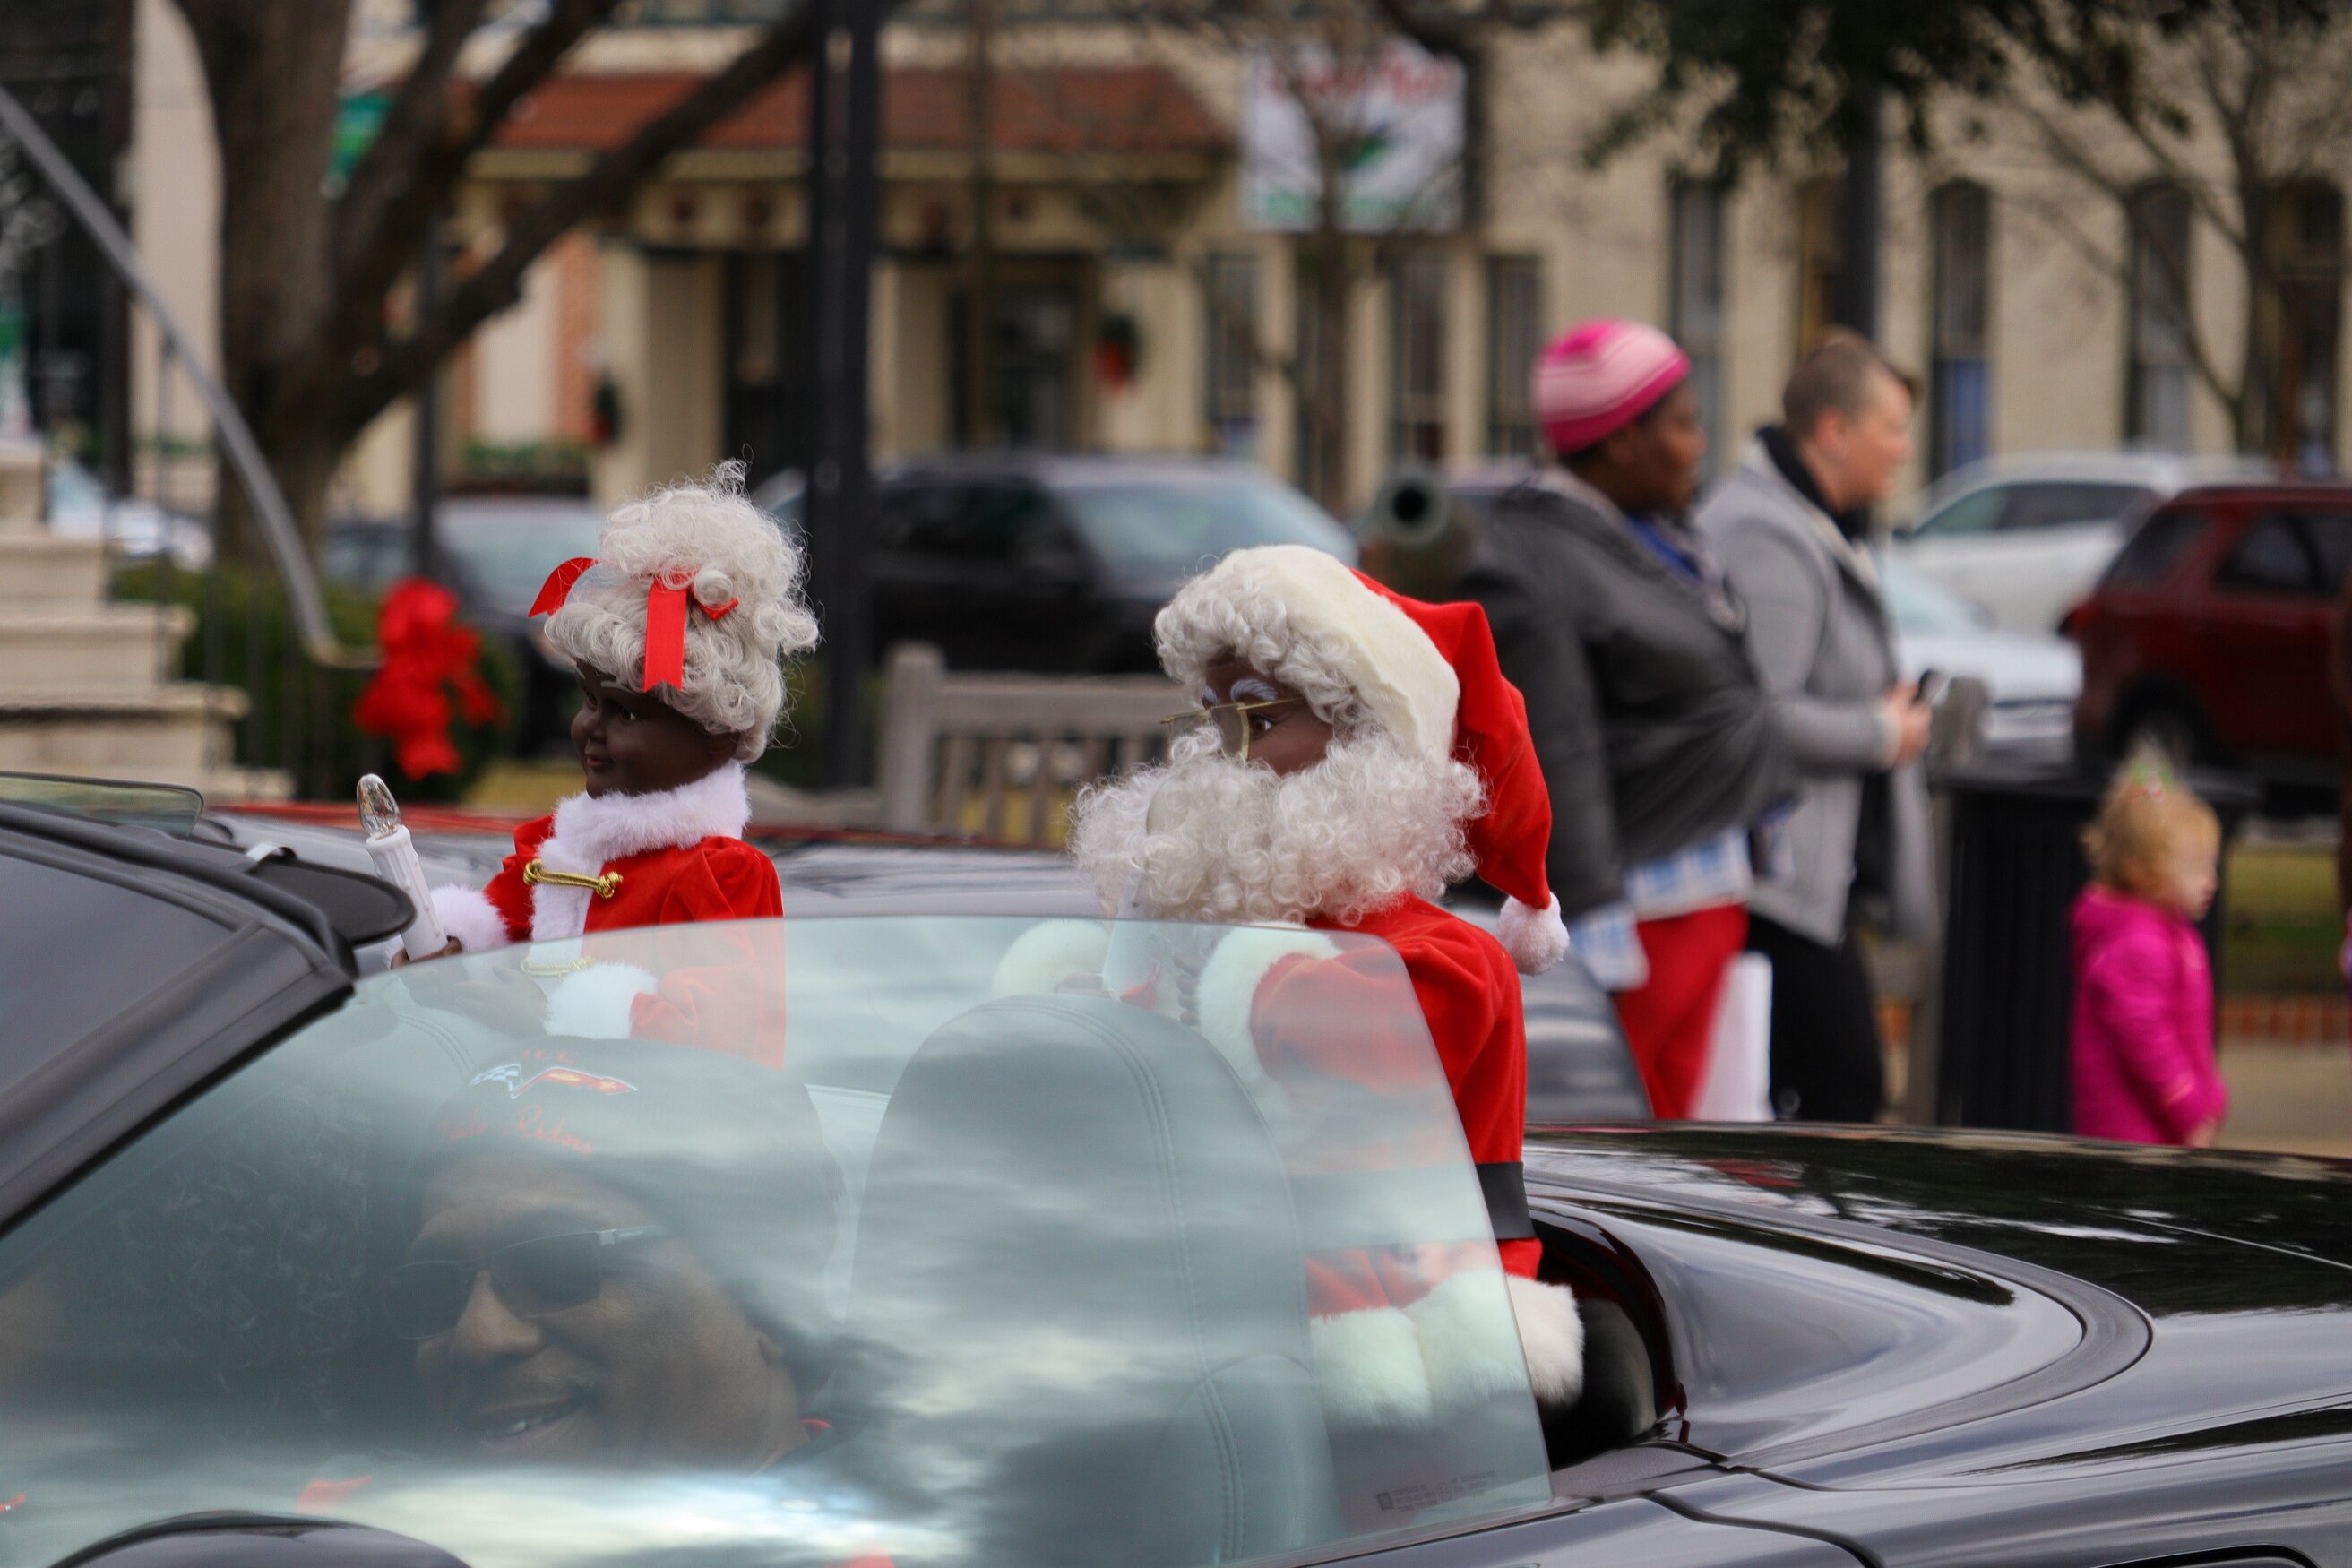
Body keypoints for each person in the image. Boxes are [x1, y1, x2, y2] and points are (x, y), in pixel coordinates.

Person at [1052, 543, 1585, 1417]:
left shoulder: (1444, 957)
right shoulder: (1239, 937)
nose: (1227, 759)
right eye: (1213, 721)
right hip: (1219, 1331)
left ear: (1370, 742)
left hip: (1402, 1355)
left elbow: (1322, 1057)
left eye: (1260, 719)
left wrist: (1184, 973)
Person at [1441, 318, 1789, 1119]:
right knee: (1622, 1132)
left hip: (1700, 886)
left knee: (1674, 1121)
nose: (1699, 443)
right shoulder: (1534, 559)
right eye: (1683, 423)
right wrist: (1588, 926)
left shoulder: (1647, 533)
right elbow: (1555, 747)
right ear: (1622, 439)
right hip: (1641, 909)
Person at [383, 1038, 840, 1470]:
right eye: (436, 1289)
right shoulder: (357, 1510)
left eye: (558, 1265)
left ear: (771, 1307)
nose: (478, 1337)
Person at [420, 469, 819, 960]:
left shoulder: (723, 877)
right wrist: (451, 945)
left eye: (627, 714)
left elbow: (721, 1002)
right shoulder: (558, 849)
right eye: (590, 699)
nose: (590, 726)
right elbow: (496, 927)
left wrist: (596, 998)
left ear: (718, 735)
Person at [1696, 333, 1934, 1123]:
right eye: (1891, 428)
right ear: (1834, 431)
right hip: (1775, 884)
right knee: (1844, 1095)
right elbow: (1762, 711)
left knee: (1817, 1098)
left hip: (1800, 881)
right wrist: (1881, 732)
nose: (1903, 449)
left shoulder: (1802, 519)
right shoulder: (1766, 533)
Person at [2071, 756, 2227, 1147]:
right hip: (2135, 1135)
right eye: (2196, 868)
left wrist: (2210, 1095)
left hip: (2157, 1131)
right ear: (2147, 872)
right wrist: (2190, 1107)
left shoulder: (2168, 931)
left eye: (2211, 865)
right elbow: (2146, 1041)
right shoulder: (2139, 944)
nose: (2211, 881)